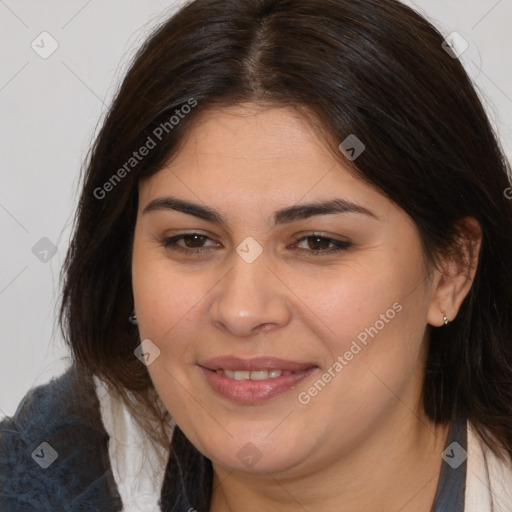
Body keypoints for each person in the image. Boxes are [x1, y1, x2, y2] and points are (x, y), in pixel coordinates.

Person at [2, 0, 512, 510]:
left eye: (318, 243)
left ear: (451, 269)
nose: (241, 311)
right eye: (192, 240)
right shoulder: (46, 474)